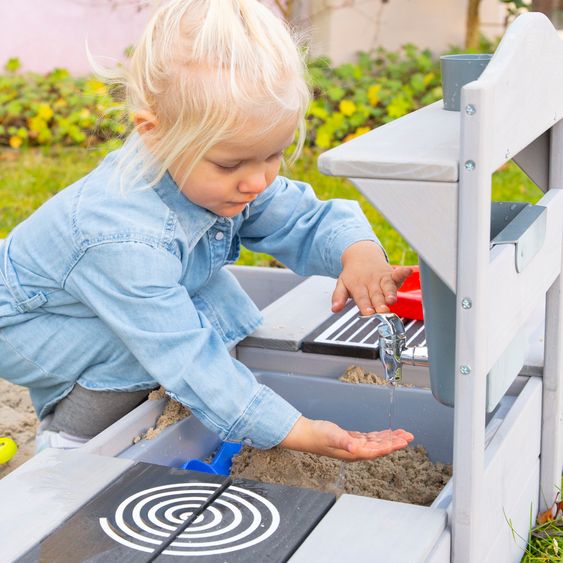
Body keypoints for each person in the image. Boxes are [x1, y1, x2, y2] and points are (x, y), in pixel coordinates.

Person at [0, 0, 413, 459]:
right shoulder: (121, 236)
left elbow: (303, 218)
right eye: (231, 163)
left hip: (98, 295)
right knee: (135, 349)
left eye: (272, 155)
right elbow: (184, 354)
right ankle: (70, 442)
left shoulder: (224, 176)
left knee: (219, 302)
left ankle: (210, 407)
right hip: (29, 322)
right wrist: (290, 428)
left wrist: (357, 253)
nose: (257, 180)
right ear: (153, 133)